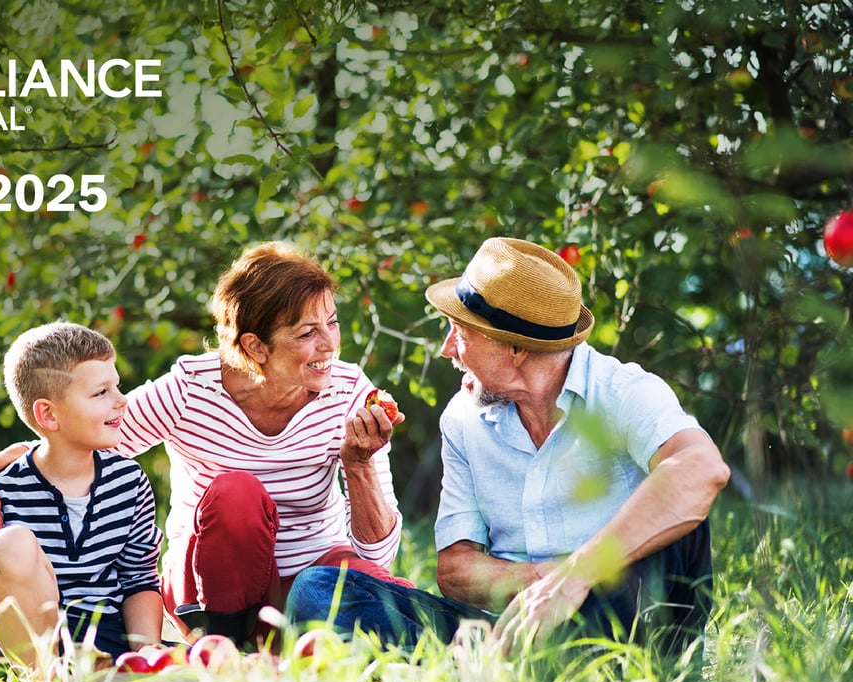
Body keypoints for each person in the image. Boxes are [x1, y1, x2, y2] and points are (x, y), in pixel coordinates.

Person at [286, 237, 730, 659]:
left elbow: (701, 468)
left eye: (458, 331)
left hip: (628, 627)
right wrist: (543, 586)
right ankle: (518, 668)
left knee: (681, 512)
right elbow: (456, 571)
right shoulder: (462, 418)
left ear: (515, 348)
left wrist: (579, 578)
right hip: (509, 629)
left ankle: (527, 670)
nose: (446, 349)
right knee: (318, 591)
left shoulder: (623, 392)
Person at [0, 241, 411, 644]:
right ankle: (225, 650)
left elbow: (378, 553)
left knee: (386, 597)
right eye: (307, 333)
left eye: (331, 323)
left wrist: (359, 465)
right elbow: (79, 438)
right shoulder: (190, 391)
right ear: (255, 346)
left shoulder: (349, 392)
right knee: (237, 492)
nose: (329, 344)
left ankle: (473, 635)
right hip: (210, 588)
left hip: (310, 575)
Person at [0, 322, 164, 676]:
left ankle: (96, 678)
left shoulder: (129, 481)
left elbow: (138, 579)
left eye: (117, 387)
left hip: (104, 639)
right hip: (19, 646)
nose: (122, 401)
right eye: (101, 393)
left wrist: (146, 651)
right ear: (48, 414)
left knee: (197, 672)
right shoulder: (0, 491)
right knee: (12, 542)